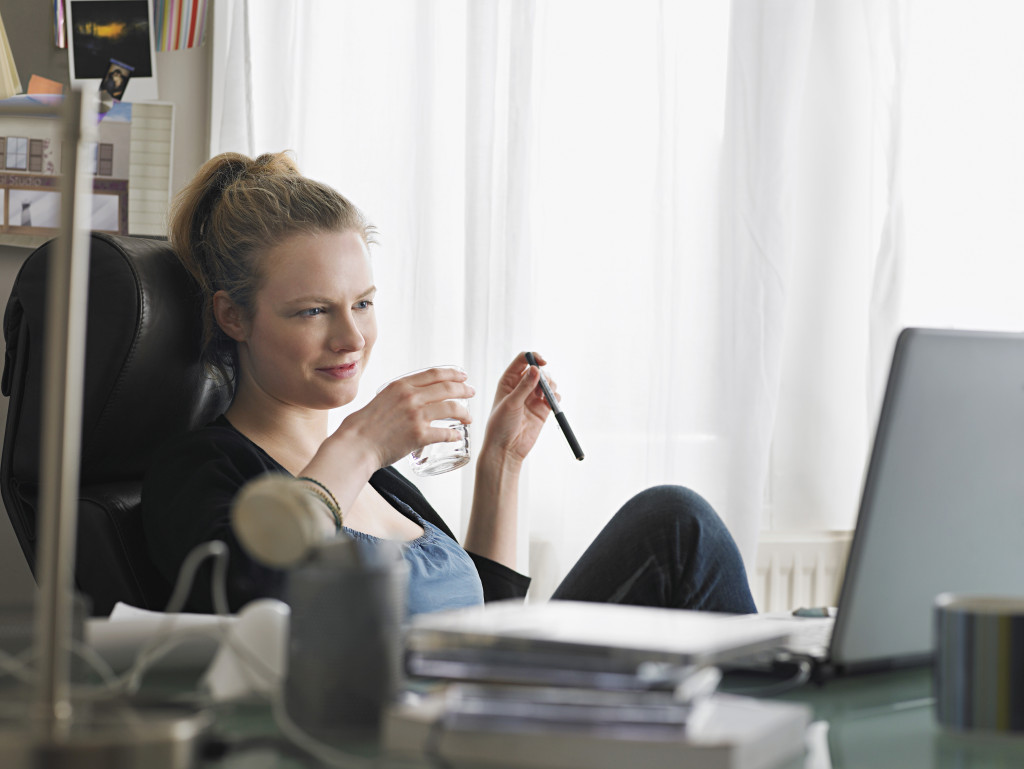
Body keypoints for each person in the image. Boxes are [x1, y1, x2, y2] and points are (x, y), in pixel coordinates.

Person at [141, 151, 757, 616]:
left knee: (677, 521)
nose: (352, 337)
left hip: (481, 699)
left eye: (363, 303)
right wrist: (359, 442)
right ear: (232, 316)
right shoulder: (200, 468)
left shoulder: (380, 480)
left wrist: (502, 460)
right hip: (402, 734)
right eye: (312, 310)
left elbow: (485, 622)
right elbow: (253, 600)